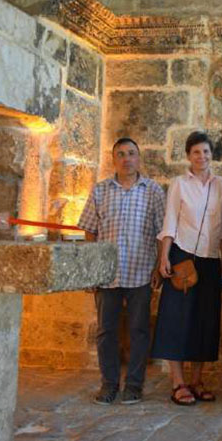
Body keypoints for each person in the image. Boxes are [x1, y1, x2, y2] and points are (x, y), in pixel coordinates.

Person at [78, 137, 166, 406]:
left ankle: (134, 385)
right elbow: (90, 231)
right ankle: (109, 384)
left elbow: (162, 232)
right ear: (113, 159)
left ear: (139, 158)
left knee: (140, 330)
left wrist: (159, 266)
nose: (127, 158)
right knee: (106, 331)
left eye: (131, 153)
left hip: (141, 271)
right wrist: (92, 270)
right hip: (108, 274)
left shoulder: (153, 191)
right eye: (121, 154)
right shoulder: (100, 190)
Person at [152, 131, 222, 406]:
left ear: (212, 155)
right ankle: (178, 382)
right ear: (188, 156)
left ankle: (197, 381)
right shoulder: (179, 184)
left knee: (205, 322)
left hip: (210, 261)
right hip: (182, 256)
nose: (202, 156)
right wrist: (164, 258)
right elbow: (170, 222)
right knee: (176, 319)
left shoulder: (221, 185)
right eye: (196, 152)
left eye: (206, 151)